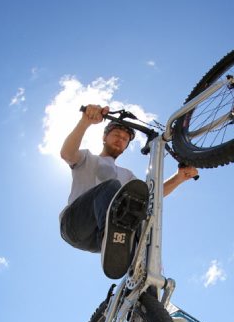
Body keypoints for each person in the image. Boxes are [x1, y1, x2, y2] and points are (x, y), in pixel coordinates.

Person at [59, 104, 198, 279]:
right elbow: (67, 153)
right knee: (112, 187)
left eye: (125, 139)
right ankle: (112, 234)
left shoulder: (127, 175)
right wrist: (85, 122)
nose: (120, 140)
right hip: (75, 224)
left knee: (138, 205)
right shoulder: (86, 158)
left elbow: (151, 195)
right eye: (116, 135)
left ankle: (144, 273)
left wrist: (179, 178)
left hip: (96, 240)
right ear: (104, 137)